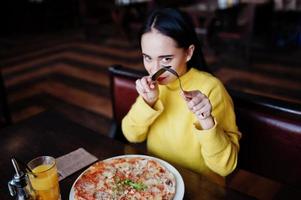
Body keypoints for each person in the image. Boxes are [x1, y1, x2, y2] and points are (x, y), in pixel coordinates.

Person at [122, 7, 241, 181]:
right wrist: (147, 102)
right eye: (147, 57)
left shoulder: (211, 88)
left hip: (199, 188)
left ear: (188, 52)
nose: (155, 70)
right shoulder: (153, 87)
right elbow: (131, 135)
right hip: (155, 181)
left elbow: (225, 167)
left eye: (166, 59)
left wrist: (206, 119)